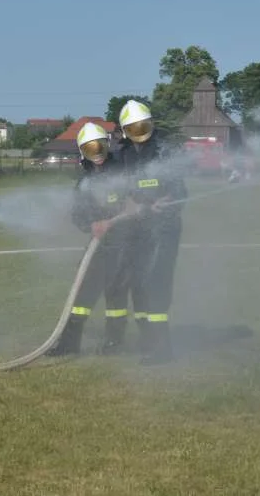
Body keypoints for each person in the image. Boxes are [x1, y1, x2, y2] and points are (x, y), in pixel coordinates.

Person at [47, 122, 140, 356]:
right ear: (82, 151)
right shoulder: (84, 183)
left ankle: (114, 343)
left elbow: (138, 196)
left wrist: (134, 204)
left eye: (99, 146)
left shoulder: (122, 171)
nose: (96, 153)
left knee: (116, 294)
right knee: (82, 293)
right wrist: (91, 224)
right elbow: (77, 215)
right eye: (90, 148)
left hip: (126, 243)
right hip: (100, 244)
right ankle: (69, 344)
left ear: (107, 145)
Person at [116, 99, 187, 365]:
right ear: (125, 131)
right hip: (136, 228)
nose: (140, 133)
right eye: (133, 129)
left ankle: (163, 348)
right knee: (138, 283)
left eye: (143, 126)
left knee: (157, 282)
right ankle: (148, 339)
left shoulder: (164, 152)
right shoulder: (123, 155)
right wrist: (127, 203)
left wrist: (163, 203)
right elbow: (119, 189)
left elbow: (180, 192)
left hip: (164, 229)